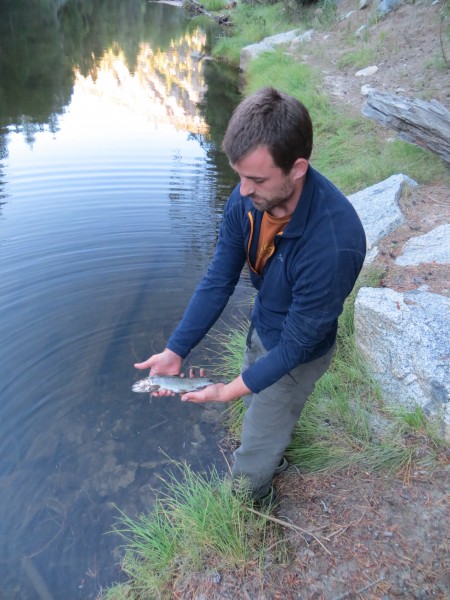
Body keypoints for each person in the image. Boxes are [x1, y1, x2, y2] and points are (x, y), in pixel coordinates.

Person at [135, 87, 366, 504]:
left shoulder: (334, 244)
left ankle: (246, 508)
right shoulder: (248, 201)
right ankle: (270, 439)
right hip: (265, 325)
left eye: (256, 179)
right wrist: (176, 349)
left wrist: (227, 390)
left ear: (297, 169)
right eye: (239, 175)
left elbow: (296, 345)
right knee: (257, 400)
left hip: (301, 351)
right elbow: (219, 279)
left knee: (257, 441)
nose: (241, 191)